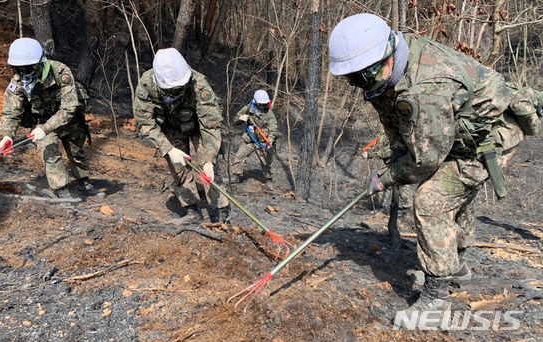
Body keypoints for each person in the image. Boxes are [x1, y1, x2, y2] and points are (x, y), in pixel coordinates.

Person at [328, 13, 541, 323]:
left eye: (362, 76)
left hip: (490, 136)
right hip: (452, 130)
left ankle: (436, 299)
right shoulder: (391, 70)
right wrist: (396, 150)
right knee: (451, 192)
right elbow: (397, 121)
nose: (358, 84)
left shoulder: (425, 87)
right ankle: (457, 266)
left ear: (386, 55)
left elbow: (426, 160)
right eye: (352, 78)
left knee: (432, 201)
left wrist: (386, 179)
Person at [0, 37, 104, 199]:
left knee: (76, 152)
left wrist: (46, 128)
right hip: (41, 122)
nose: (23, 72)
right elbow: (10, 112)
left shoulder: (60, 72)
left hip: (68, 120)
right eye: (19, 68)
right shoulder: (17, 83)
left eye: (27, 68)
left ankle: (84, 181)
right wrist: (7, 135)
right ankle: (62, 189)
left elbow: (69, 108)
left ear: (39, 63)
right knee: (50, 152)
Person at [133, 48, 230, 224]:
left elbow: (211, 124)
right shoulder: (146, 86)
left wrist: (209, 159)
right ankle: (191, 210)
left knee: (210, 170)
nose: (177, 91)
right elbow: (145, 123)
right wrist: (168, 149)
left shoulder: (199, 84)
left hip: (198, 127)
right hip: (170, 129)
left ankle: (220, 211)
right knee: (179, 170)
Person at [228, 90, 280, 190]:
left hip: (263, 141)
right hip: (250, 139)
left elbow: (273, 128)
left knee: (266, 161)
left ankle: (268, 179)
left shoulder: (269, 113)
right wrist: (240, 118)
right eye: (261, 104)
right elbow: (235, 121)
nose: (263, 106)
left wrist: (270, 140)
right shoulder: (247, 109)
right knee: (239, 156)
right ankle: (236, 175)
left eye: (265, 104)